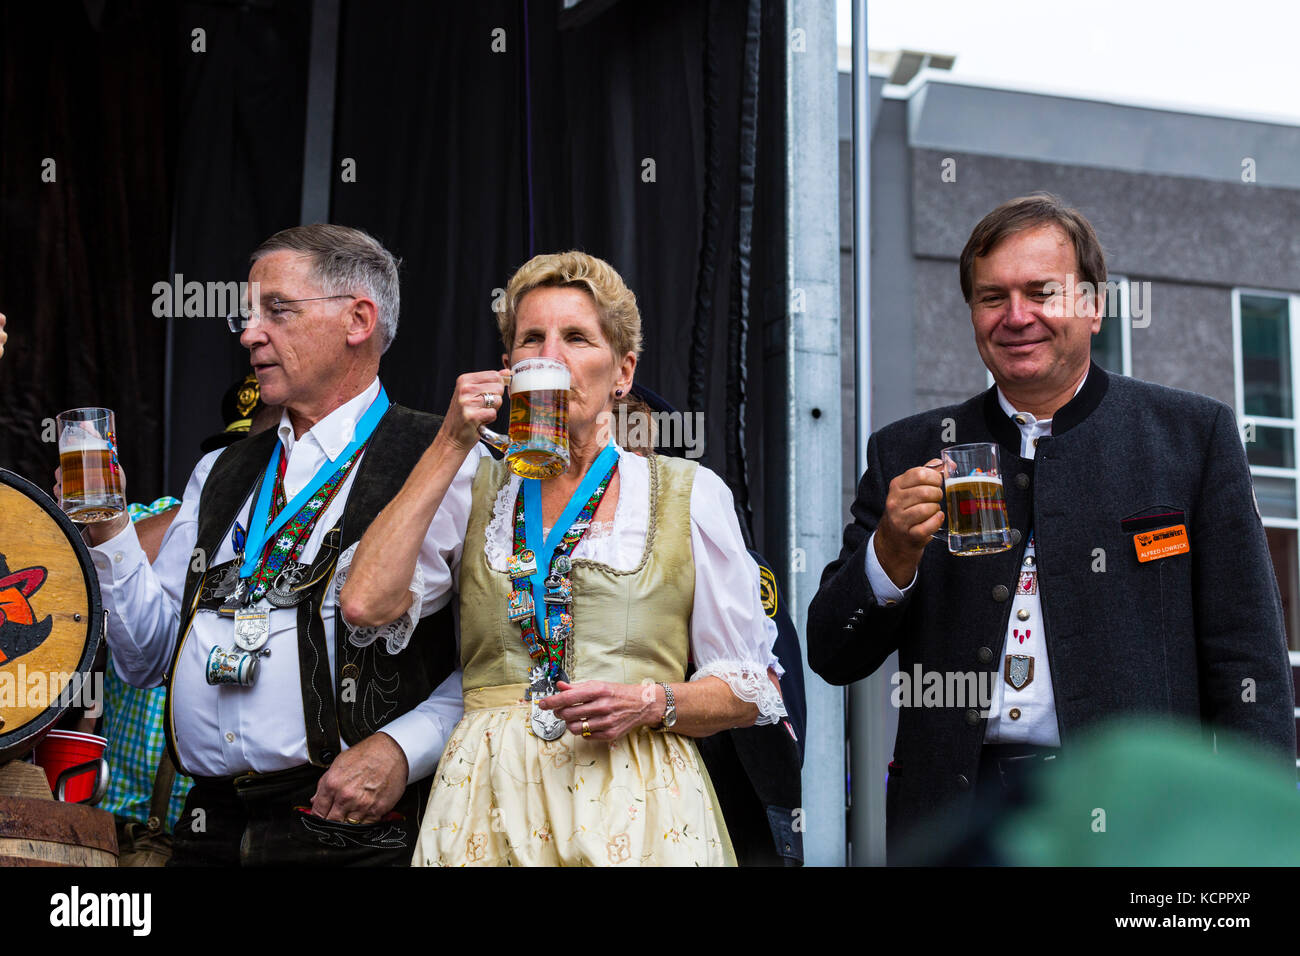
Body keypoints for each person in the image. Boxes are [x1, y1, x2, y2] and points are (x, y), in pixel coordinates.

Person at [806, 193, 1297, 863]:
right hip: (958, 817)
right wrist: (889, 554)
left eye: (1042, 292)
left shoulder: (1190, 436)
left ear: (1094, 306)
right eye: (991, 298)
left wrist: (1256, 829)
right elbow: (833, 653)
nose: (1016, 317)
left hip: (1134, 818)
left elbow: (1248, 660)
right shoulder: (908, 448)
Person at [341, 250, 787, 866]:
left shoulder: (687, 491)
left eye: (576, 337)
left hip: (637, 795)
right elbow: (364, 605)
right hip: (485, 799)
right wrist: (450, 441)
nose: (549, 355)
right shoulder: (472, 483)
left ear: (623, 371)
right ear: (508, 367)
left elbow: (751, 687)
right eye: (531, 339)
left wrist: (652, 702)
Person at [65, 224, 468, 865]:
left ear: (358, 319)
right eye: (248, 316)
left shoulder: (448, 457)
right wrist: (107, 529)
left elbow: (504, 664)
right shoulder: (220, 472)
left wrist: (402, 748)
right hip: (210, 827)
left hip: (353, 831)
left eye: (276, 310)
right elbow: (144, 659)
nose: (251, 333)